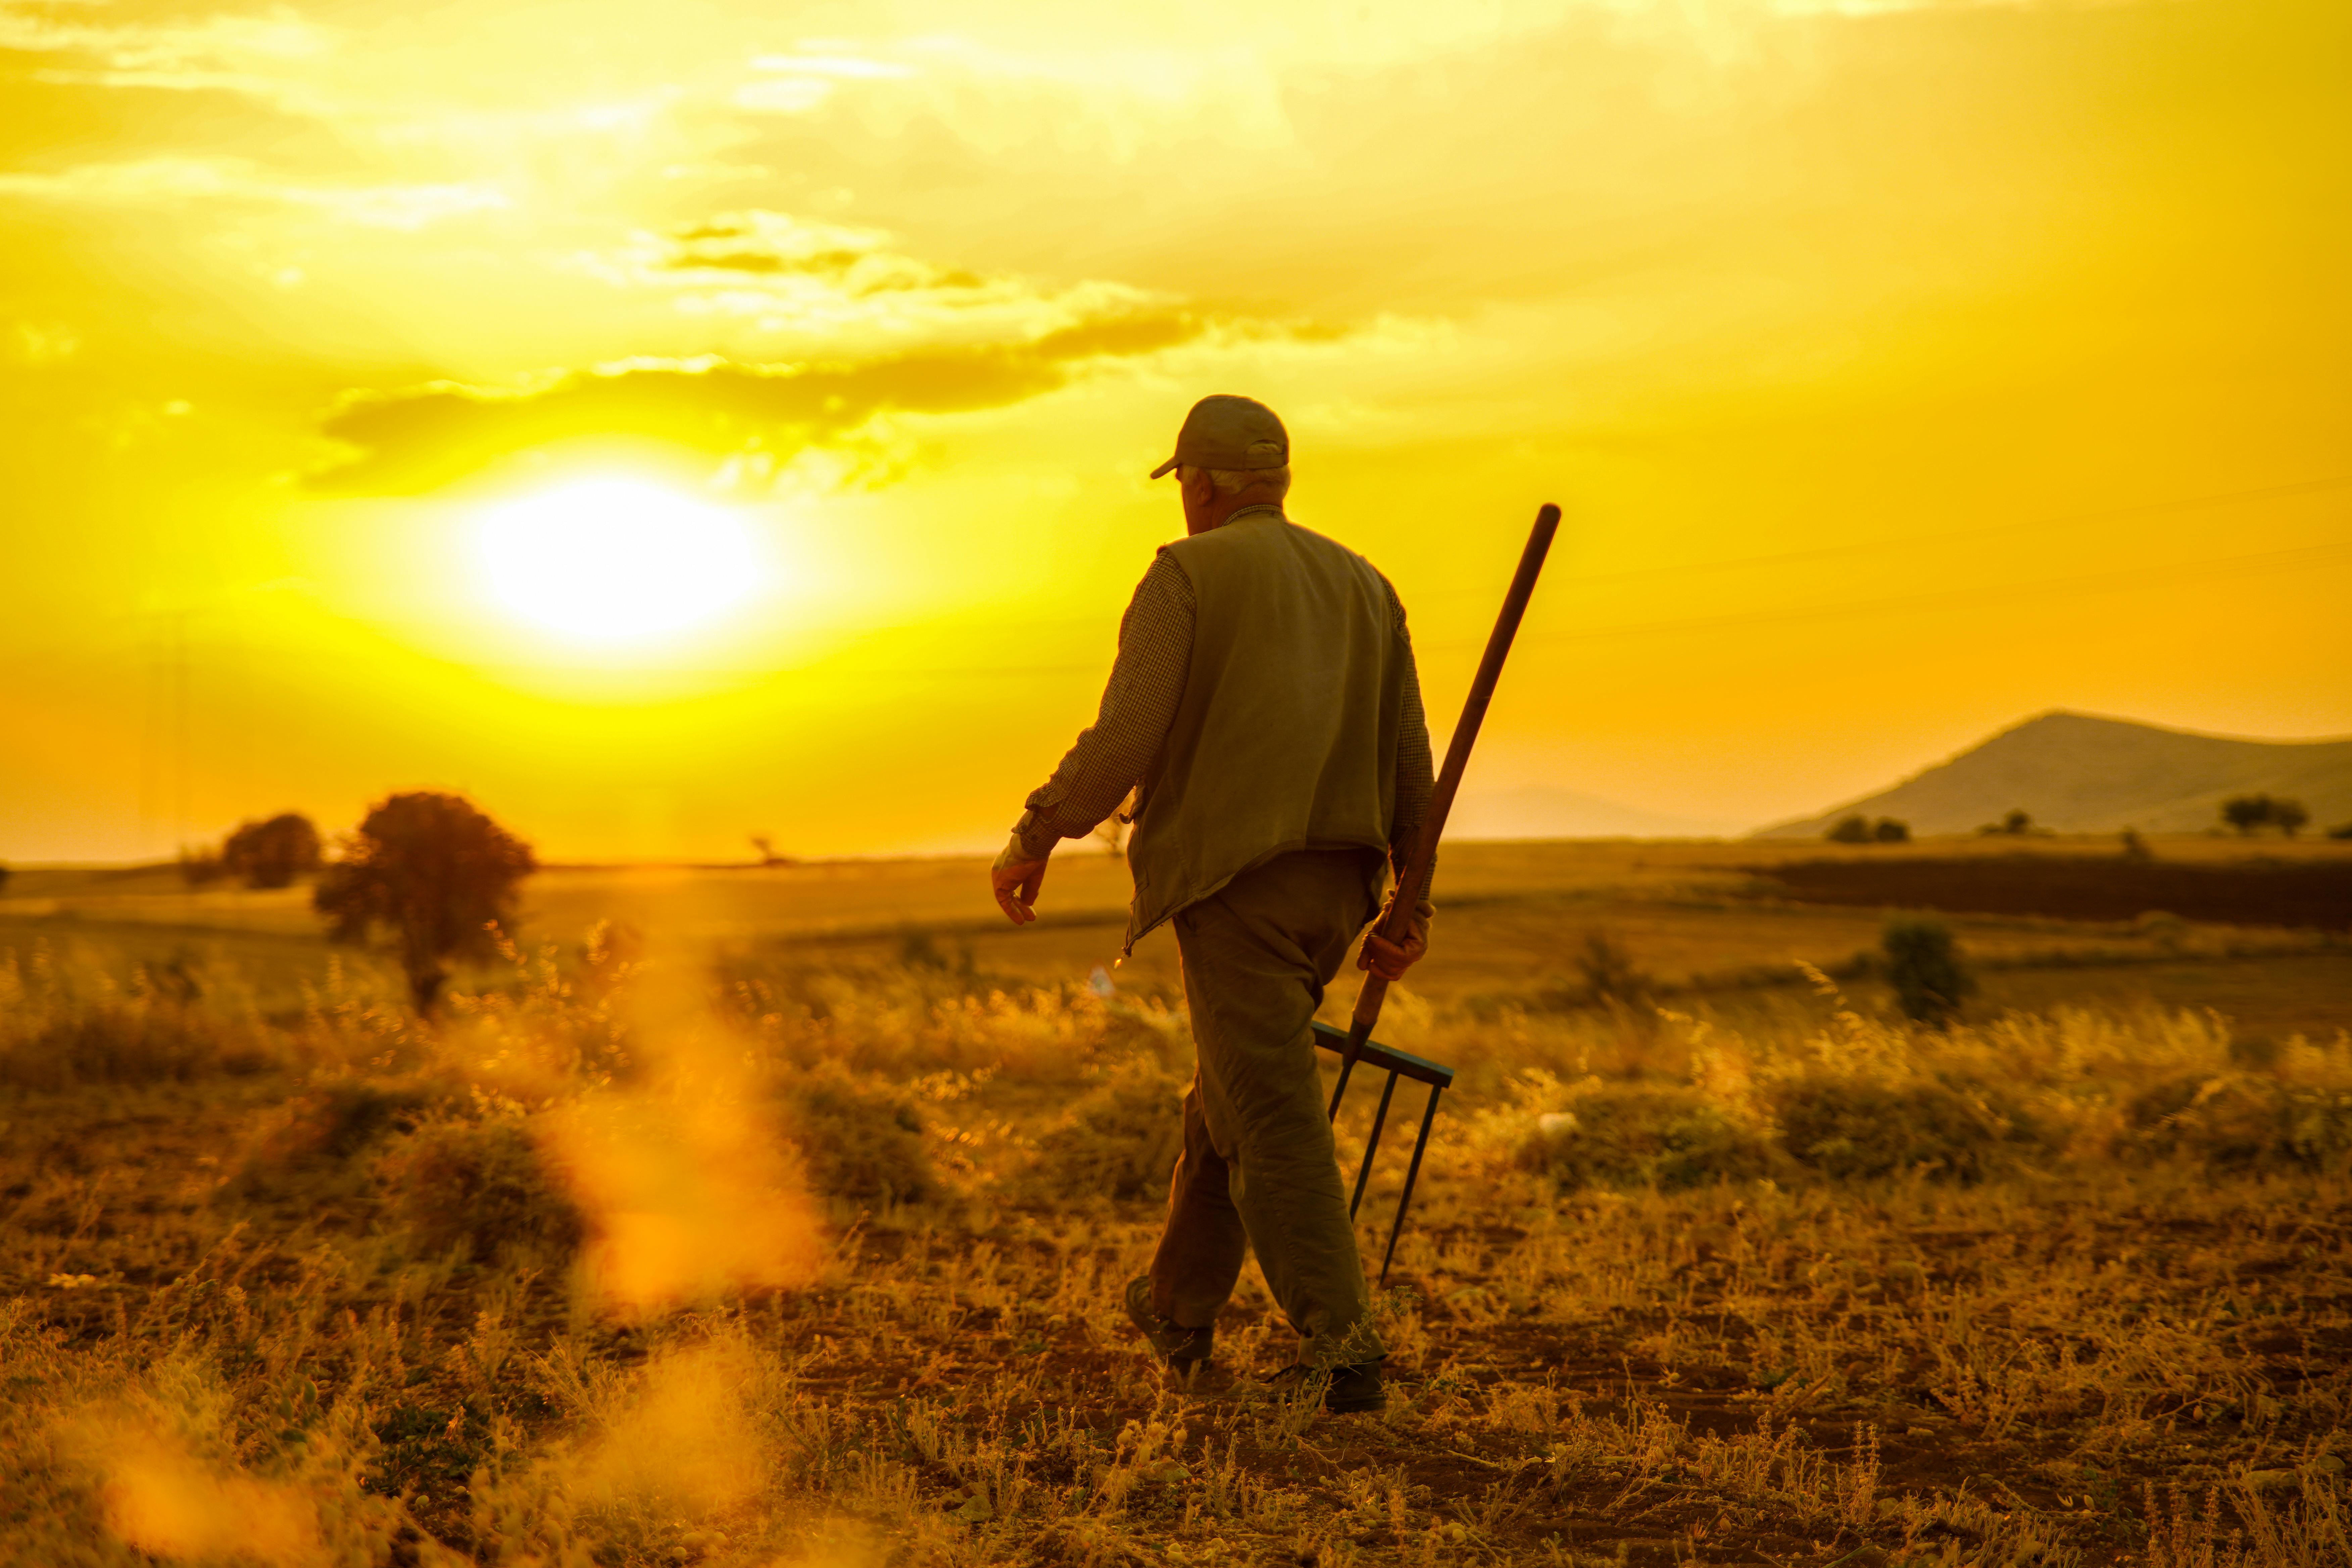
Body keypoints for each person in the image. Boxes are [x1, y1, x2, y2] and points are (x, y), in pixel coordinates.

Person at [989, 393, 1434, 1414]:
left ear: (1198, 483)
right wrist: (1412, 903)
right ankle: (1176, 1307)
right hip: (1339, 894)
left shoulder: (1185, 574)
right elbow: (1414, 766)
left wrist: (1040, 828)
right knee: (1233, 1094)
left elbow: (1129, 732)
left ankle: (1344, 1350)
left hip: (1236, 887)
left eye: (1186, 482)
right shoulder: (1369, 586)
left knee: (1274, 1120)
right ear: (1275, 481)